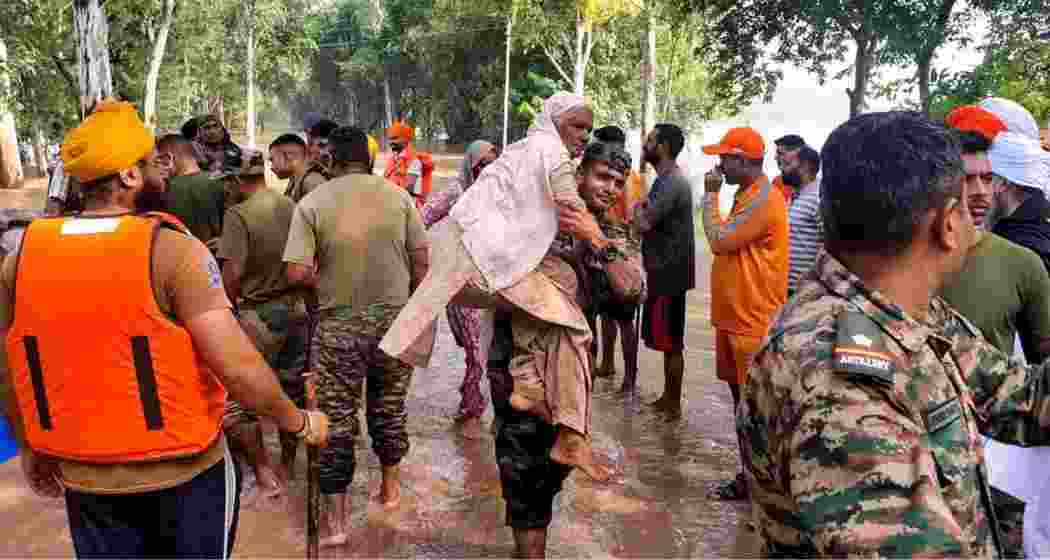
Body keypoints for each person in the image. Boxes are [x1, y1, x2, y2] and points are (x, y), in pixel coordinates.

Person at [0, 100, 327, 558]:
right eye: (155, 164)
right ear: (130, 176)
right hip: (183, 475)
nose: (164, 173)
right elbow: (236, 366)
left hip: (84, 476)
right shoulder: (171, 252)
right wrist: (300, 421)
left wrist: (30, 446)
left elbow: (12, 365)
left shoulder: (22, 258)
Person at [737, 109, 1050, 558]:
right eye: (966, 202)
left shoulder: (911, 313)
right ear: (947, 224)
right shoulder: (837, 380)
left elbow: (1021, 399)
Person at [379, 92, 614, 484]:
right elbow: (572, 210)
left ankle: (528, 385)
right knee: (575, 326)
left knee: (558, 286)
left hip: (464, 263)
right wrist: (606, 247)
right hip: (482, 265)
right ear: (555, 122)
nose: (583, 136)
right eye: (578, 126)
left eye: (588, 130)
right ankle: (570, 433)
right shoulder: (550, 151)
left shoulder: (524, 149)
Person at [283, 126, 429, 547]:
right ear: (371, 160)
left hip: (337, 325)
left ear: (330, 161)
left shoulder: (313, 202)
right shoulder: (398, 197)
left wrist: (326, 278)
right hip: (394, 325)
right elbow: (423, 267)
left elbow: (294, 272)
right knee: (388, 408)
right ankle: (390, 492)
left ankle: (336, 524)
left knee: (337, 419)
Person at [939, 107, 1050, 558]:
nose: (980, 192)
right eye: (968, 180)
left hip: (997, 456)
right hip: (922, 454)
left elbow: (1042, 365)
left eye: (989, 179)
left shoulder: (1022, 264)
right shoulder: (911, 261)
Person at [700, 127, 788, 501]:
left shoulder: (763, 200)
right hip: (735, 318)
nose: (719, 164)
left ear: (744, 161)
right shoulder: (748, 194)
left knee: (756, 413)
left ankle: (765, 493)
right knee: (743, 409)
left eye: (725, 158)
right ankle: (751, 482)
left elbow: (719, 241)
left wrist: (708, 196)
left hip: (752, 321)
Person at [216, 150, 309, 495]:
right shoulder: (290, 207)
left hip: (257, 316)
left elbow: (233, 274)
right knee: (292, 390)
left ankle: (265, 473)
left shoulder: (237, 216)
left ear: (236, 181)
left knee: (238, 398)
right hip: (297, 311)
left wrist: (225, 314)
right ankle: (289, 463)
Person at [420, 139, 499, 439]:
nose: (487, 169)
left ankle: (474, 407)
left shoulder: (498, 195)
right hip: (460, 283)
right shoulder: (457, 191)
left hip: (490, 281)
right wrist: (429, 259)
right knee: (477, 351)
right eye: (482, 164)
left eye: (493, 163)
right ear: (471, 165)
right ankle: (471, 410)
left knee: (487, 350)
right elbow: (422, 219)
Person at [634, 124, 695, 417]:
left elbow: (643, 223)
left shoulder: (672, 183)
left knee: (672, 342)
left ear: (664, 147)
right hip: (664, 270)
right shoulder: (664, 180)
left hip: (670, 272)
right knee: (666, 340)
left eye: (651, 140)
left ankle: (673, 404)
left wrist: (636, 208)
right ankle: (669, 399)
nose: (645, 144)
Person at [582, 145, 645, 393]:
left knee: (605, 320)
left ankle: (617, 376)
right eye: (603, 178)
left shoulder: (602, 222)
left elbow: (633, 290)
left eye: (618, 182)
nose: (611, 189)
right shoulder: (563, 216)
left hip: (611, 259)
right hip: (620, 259)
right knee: (605, 322)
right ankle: (619, 376)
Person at [157, 134, 227, 251]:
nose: (158, 167)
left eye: (159, 160)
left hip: (185, 258)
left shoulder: (169, 189)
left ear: (168, 158)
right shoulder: (219, 182)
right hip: (217, 258)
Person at [786, 145, 822, 296]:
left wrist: (811, 280)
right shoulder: (796, 196)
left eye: (789, 164)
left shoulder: (819, 196)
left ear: (805, 166)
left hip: (803, 292)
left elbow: (829, 245)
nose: (784, 170)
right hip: (787, 289)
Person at [384, 120, 434, 209]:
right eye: (390, 139)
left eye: (395, 138)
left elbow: (409, 189)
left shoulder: (415, 160)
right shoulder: (394, 159)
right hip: (395, 204)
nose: (391, 142)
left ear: (405, 139)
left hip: (409, 208)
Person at [271, 133, 331, 204]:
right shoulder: (296, 179)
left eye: (272, 159)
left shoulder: (312, 182)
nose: (271, 167)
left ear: (288, 156)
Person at [772, 134, 806, 204]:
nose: (775, 157)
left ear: (797, 156)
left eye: (780, 153)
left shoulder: (815, 187)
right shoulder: (777, 182)